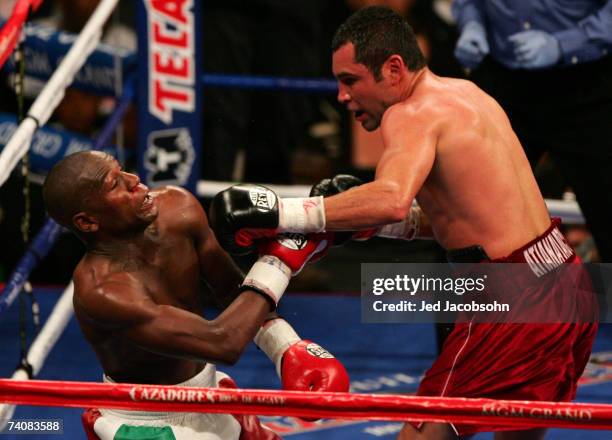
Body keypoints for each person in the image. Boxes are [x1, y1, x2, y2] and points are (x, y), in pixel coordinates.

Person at [209, 7, 598, 439]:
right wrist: (364, 222)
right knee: (518, 424)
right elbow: (463, 214)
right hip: (566, 277)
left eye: (351, 80)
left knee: (421, 432)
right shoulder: (467, 94)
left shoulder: (409, 113)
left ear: (394, 68)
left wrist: (281, 213)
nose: (341, 96)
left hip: (513, 296)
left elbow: (392, 199)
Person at [41, 151, 349, 439]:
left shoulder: (178, 207)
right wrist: (278, 261)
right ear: (88, 222)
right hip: (147, 424)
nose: (134, 180)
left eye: (122, 169)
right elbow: (221, 342)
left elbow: (231, 290)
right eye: (114, 184)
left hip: (210, 392)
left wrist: (285, 347)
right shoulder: (103, 291)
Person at [452, 0, 612, 263]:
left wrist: (566, 43)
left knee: (607, 207)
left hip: (588, 84)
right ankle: (471, 296)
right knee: (476, 205)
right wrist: (472, 25)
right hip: (503, 80)